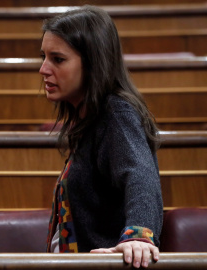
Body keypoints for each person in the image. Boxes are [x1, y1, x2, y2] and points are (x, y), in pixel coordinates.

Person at [39, 6, 163, 268]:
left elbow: (140, 174)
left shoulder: (116, 112)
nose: (43, 69)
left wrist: (139, 235)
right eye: (44, 57)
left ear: (93, 63)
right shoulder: (89, 118)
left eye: (57, 59)